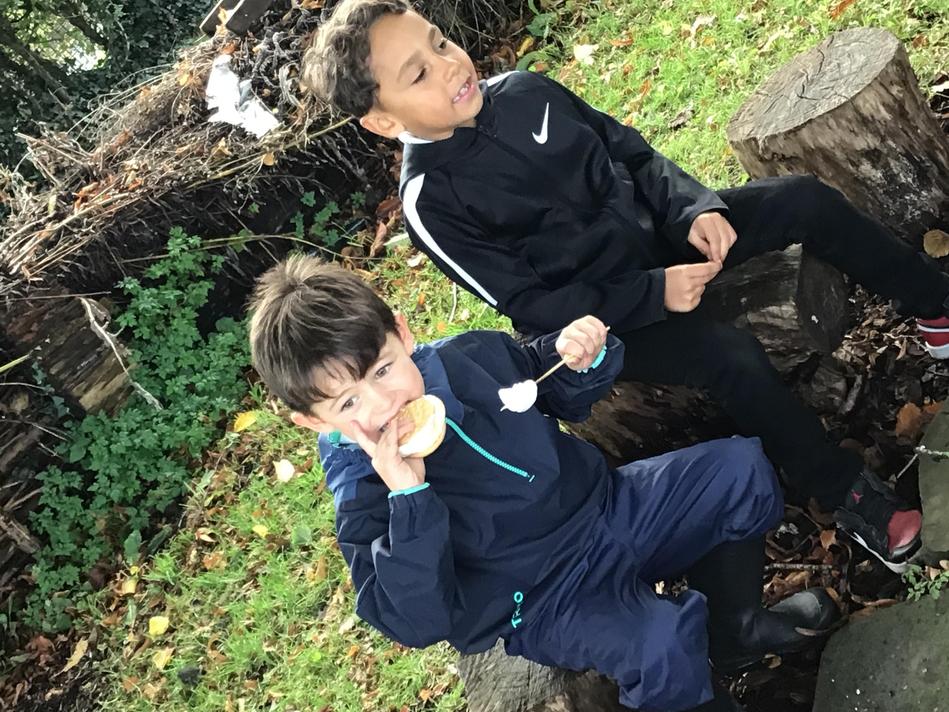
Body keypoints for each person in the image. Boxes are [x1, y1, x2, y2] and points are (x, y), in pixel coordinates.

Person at [301, 0, 949, 573]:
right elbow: (532, 305)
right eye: (417, 74)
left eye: (440, 42)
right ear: (381, 121)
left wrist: (692, 209)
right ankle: (842, 491)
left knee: (803, 199)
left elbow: (631, 153)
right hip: (605, 322)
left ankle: (935, 307)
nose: (448, 66)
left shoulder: (526, 90)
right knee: (729, 356)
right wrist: (652, 293)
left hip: (662, 239)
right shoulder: (430, 202)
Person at [248, 256, 839, 712]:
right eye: (348, 402)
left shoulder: (466, 358)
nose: (384, 404)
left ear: (402, 334)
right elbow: (415, 620)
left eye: (383, 369)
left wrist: (581, 356)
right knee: (661, 645)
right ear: (313, 421)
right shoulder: (363, 493)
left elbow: (547, 381)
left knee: (740, 471)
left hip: (609, 508)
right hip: (543, 597)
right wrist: (410, 499)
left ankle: (733, 630)